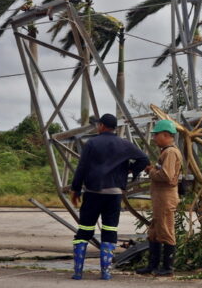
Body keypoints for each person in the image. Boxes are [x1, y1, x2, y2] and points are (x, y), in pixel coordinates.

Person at [70, 114, 150, 280]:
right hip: (114, 194)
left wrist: (75, 189)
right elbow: (144, 159)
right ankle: (105, 273)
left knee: (84, 229)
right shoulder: (124, 144)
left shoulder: (92, 143)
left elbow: (82, 167)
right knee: (110, 229)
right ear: (114, 127)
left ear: (101, 126)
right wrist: (130, 170)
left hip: (93, 192)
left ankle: (78, 272)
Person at [136, 119, 183, 276]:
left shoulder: (170, 152)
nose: (154, 138)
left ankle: (168, 268)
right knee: (154, 231)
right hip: (160, 198)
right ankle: (153, 265)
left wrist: (150, 171)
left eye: (156, 135)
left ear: (166, 135)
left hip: (166, 197)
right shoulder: (166, 151)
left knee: (166, 230)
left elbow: (166, 175)